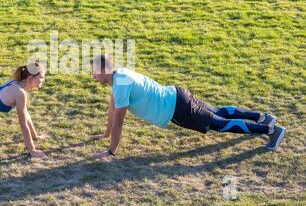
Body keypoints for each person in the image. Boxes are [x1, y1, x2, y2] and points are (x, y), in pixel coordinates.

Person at [90, 54, 286, 158]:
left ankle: (271, 130)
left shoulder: (121, 84)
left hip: (177, 109)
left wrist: (111, 151)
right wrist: (106, 135)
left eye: (95, 72)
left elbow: (118, 122)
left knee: (218, 123)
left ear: (106, 70)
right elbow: (112, 109)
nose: (93, 76)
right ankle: (262, 117)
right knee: (217, 112)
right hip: (176, 95)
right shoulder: (120, 76)